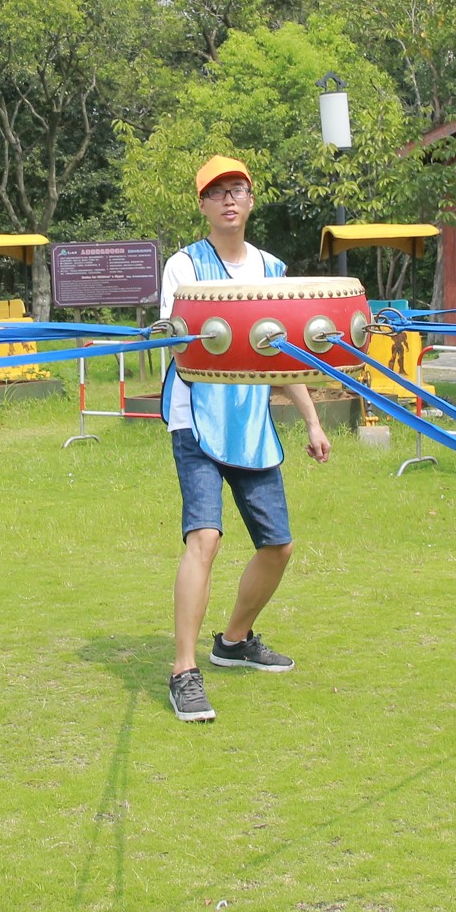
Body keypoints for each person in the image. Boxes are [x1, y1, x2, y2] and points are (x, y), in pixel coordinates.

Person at [160, 156, 331, 725]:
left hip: (251, 423)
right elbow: (180, 345)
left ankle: (233, 641)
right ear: (203, 205)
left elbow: (282, 354)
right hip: (196, 417)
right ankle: (184, 672)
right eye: (217, 192)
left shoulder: (271, 269)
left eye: (237, 189)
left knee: (278, 545)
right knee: (204, 538)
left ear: (251, 199)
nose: (228, 200)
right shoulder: (184, 267)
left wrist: (311, 420)